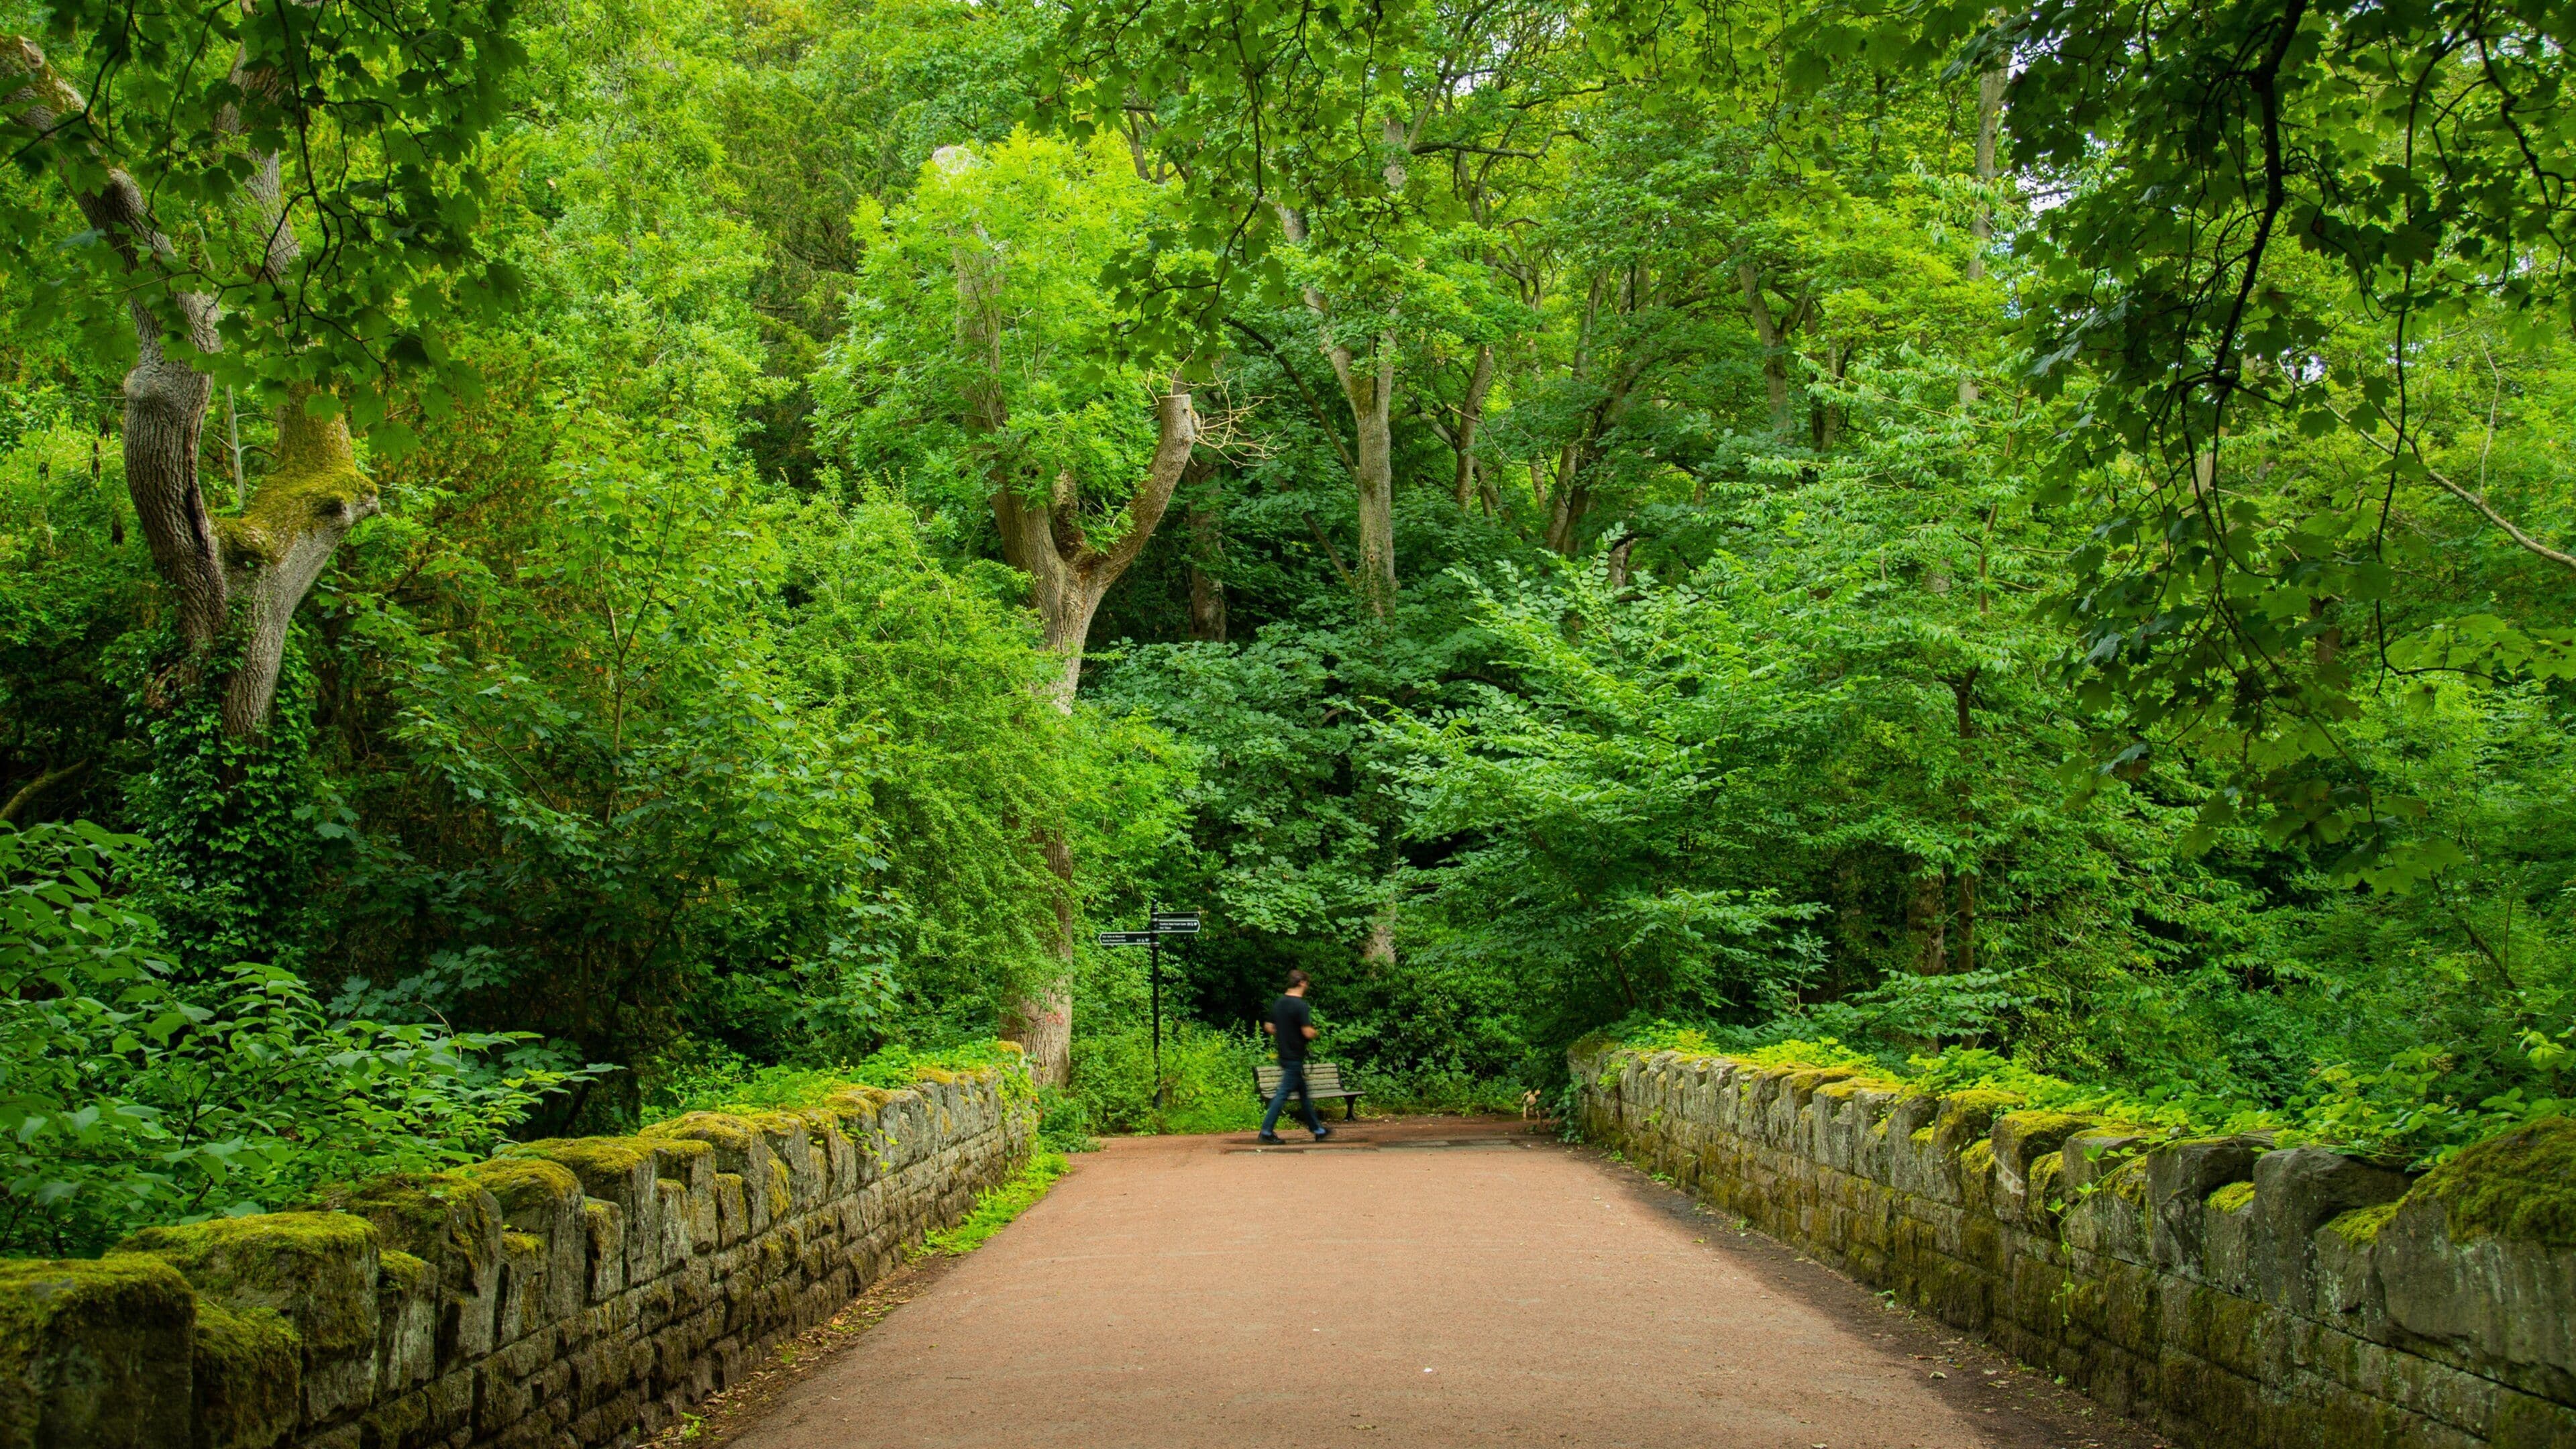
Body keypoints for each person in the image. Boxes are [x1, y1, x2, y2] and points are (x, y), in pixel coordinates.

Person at [1259, 969, 1332, 1143]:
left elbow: (1269, 1027)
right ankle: (1266, 1132)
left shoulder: (1279, 1003)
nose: (1307, 986)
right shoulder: (1301, 1006)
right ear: (1302, 983)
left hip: (1284, 1054)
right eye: (1306, 983)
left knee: (1303, 1093)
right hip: (1295, 1056)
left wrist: (1284, 1033)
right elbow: (1307, 1032)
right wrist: (1315, 1033)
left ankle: (1318, 1129)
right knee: (1282, 1094)